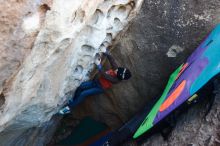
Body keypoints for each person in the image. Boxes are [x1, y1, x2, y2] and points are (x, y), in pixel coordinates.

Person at [59, 51, 132, 114]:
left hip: (100, 88)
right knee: (81, 87)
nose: (116, 70)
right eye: (118, 69)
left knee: (84, 93)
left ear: (118, 76)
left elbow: (105, 76)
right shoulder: (117, 70)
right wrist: (105, 52)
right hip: (96, 82)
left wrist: (99, 65)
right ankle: (74, 101)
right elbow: (112, 60)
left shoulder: (116, 80)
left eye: (117, 72)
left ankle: (69, 108)